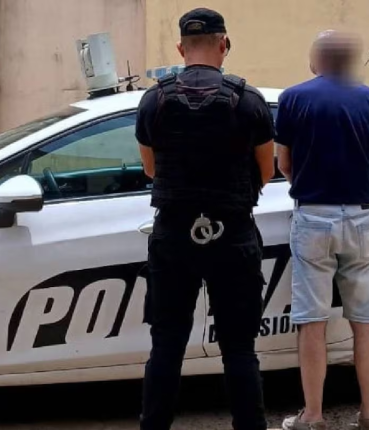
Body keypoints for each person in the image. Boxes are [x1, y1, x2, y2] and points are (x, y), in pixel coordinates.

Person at [135, 7, 276, 430]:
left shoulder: (154, 99)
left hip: (174, 235)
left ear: (181, 49)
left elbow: (151, 169)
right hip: (232, 234)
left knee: (166, 346)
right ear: (224, 44)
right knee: (239, 349)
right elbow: (266, 172)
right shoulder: (248, 100)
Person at [276, 30, 369, 430]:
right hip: (361, 219)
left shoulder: (293, 98)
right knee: (366, 319)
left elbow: (284, 164)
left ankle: (313, 415)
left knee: (312, 320)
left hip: (313, 219)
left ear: (317, 61)